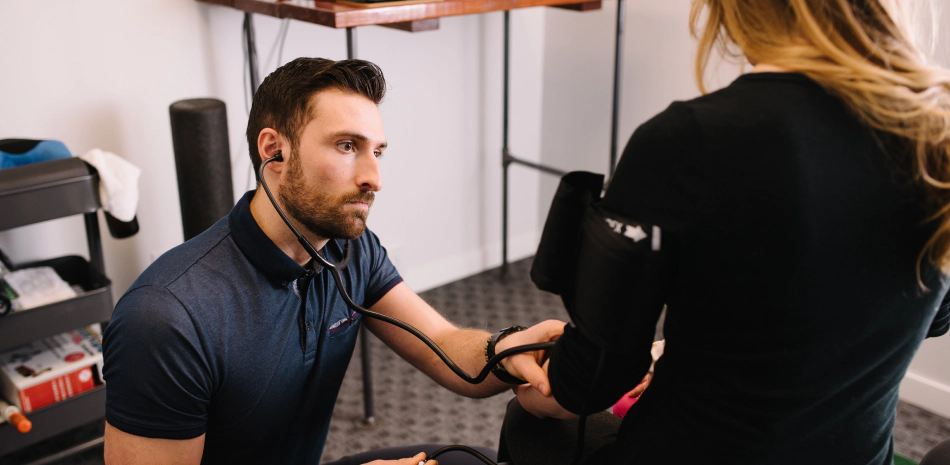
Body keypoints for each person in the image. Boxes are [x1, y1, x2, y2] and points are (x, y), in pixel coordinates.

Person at [501, 1, 950, 464]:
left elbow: (590, 380)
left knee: (529, 426)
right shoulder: (937, 131)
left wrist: (520, 377)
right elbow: (932, 317)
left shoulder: (686, 140)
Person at [102, 58, 563, 465]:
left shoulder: (349, 250)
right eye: (347, 146)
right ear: (274, 151)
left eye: (377, 152)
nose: (373, 178)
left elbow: (443, 344)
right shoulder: (165, 319)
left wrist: (505, 352)